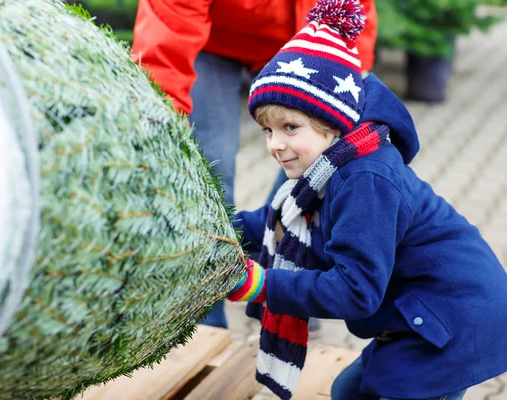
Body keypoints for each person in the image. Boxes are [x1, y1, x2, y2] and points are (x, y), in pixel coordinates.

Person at [224, 0, 507, 399]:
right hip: (419, 314)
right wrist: (218, 233)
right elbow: (274, 220)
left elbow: (355, 290)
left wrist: (262, 284)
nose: (275, 144)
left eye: (290, 127)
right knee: (347, 392)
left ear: (332, 121)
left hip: (455, 321)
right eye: (267, 130)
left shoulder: (365, 182)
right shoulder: (328, 168)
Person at [130, 0, 377, 330]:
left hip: (305, 35)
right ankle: (203, 317)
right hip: (211, 38)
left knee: (317, 162)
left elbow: (351, 11)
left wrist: (348, 83)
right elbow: (168, 32)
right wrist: (158, 121)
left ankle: (286, 289)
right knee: (209, 164)